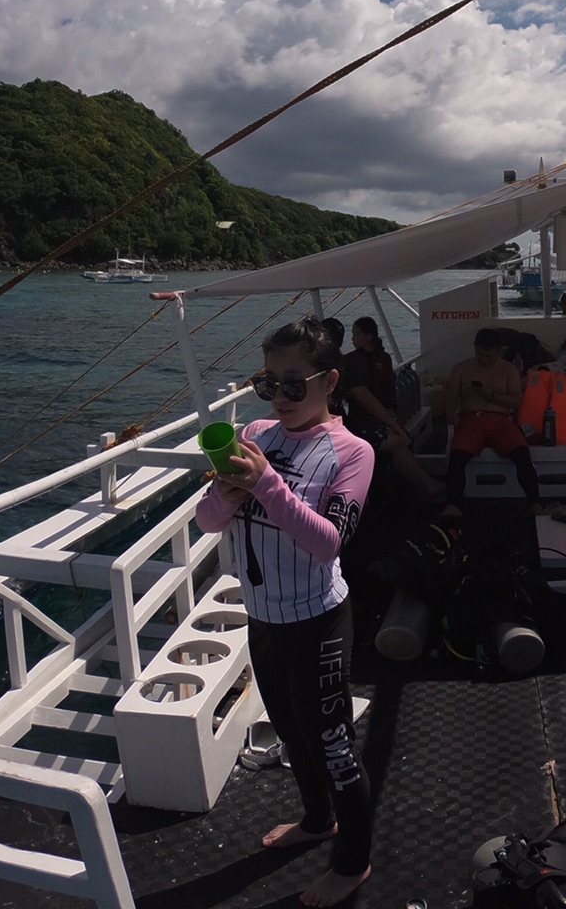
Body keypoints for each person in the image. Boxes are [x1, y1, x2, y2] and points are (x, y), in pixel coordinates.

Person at [195, 316, 374, 906]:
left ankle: (352, 864)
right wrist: (225, 492)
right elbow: (208, 522)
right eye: (268, 382)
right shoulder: (256, 433)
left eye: (294, 384)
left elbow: (328, 542)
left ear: (330, 382)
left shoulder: (352, 452)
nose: (279, 397)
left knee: (334, 745)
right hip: (264, 618)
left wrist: (268, 483)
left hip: (318, 618)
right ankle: (318, 821)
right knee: (293, 734)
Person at [339, 315, 443, 503]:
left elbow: (388, 390)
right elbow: (360, 399)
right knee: (398, 441)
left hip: (382, 417)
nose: (352, 339)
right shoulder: (350, 361)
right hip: (361, 421)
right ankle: (426, 487)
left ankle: (412, 490)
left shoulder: (384, 359)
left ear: (369, 337)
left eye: (356, 334)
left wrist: (391, 412)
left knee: (406, 438)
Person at [443, 326, 541, 513]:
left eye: (489, 356)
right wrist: (451, 413)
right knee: (457, 458)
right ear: (475, 348)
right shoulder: (462, 368)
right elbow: (451, 397)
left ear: (498, 351)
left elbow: (516, 402)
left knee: (522, 455)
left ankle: (535, 503)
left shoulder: (509, 369)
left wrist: (492, 397)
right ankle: (453, 504)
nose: (485, 360)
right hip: (471, 419)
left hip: (500, 420)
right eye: (481, 355)